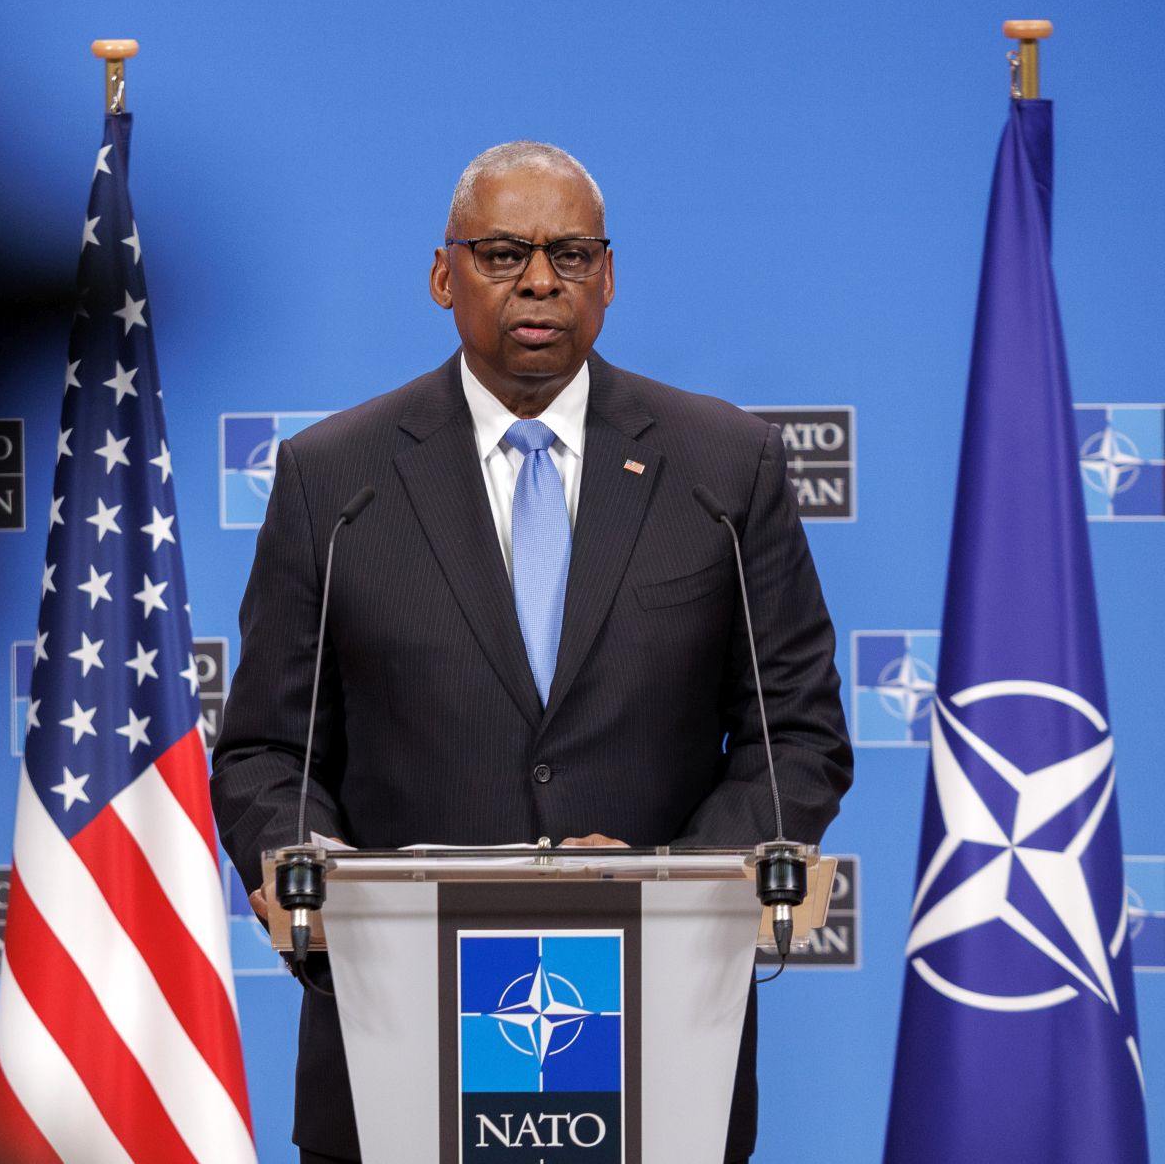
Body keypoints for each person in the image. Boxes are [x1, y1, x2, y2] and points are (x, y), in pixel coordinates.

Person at [210, 141, 853, 1164]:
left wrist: (671, 881)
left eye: (572, 252)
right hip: (392, 1031)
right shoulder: (335, 482)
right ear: (441, 275)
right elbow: (265, 752)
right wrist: (316, 868)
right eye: (504, 252)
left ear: (608, 276)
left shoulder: (723, 469)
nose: (541, 279)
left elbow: (799, 734)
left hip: (658, 1030)